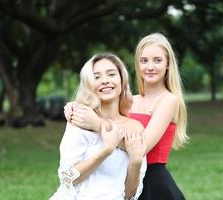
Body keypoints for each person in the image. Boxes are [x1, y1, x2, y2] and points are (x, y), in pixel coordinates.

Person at [64, 33, 188, 200]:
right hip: (122, 179)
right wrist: (74, 107)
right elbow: (109, 114)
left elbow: (140, 148)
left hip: (153, 183)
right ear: (137, 64)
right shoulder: (130, 101)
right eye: (144, 61)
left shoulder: (169, 100)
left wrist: (98, 125)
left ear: (168, 64)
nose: (150, 67)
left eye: (157, 60)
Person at [50, 53, 147, 200]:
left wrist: (136, 161)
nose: (105, 81)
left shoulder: (135, 128)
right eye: (97, 77)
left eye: (111, 74)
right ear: (89, 84)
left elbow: (128, 195)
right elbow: (67, 178)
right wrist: (106, 150)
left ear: (122, 80)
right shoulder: (80, 119)